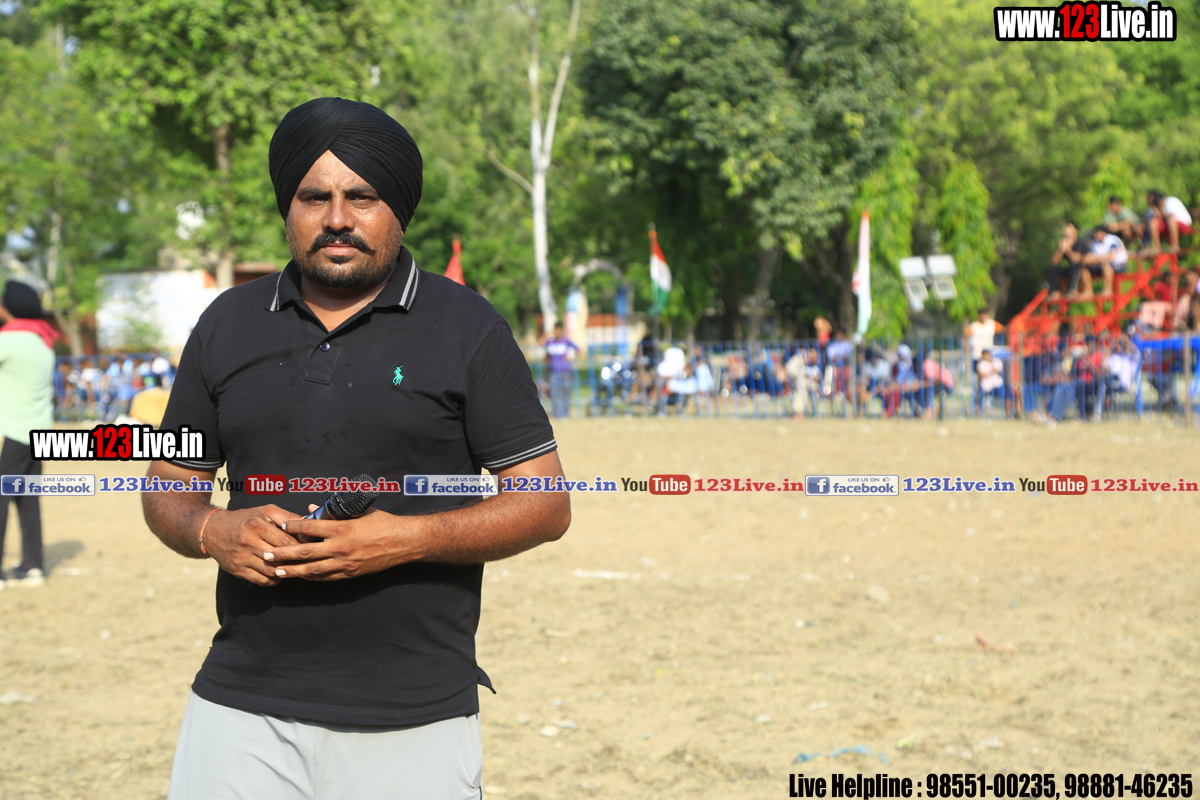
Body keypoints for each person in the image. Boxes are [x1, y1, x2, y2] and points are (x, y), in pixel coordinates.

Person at [140, 97, 570, 799]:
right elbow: (168, 486)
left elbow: (546, 503)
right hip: (239, 709)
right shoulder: (225, 324)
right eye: (315, 198)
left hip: (413, 716)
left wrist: (405, 540)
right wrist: (211, 529)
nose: (337, 218)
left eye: (362, 197)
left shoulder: (468, 327)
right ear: (288, 208)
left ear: (398, 210)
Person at [0, 280, 59, 589]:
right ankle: (33, 566)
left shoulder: (10, 340)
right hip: (39, 434)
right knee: (27, 500)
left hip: (15, 433)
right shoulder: (41, 341)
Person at [542, 322, 578, 418]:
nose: (556, 331)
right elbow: (540, 343)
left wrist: (572, 359)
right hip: (553, 371)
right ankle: (555, 413)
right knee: (553, 392)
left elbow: (578, 349)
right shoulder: (550, 342)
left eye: (558, 329)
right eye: (555, 329)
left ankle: (566, 413)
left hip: (565, 371)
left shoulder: (566, 341)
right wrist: (547, 334)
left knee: (566, 391)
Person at [1085, 225, 1128, 298]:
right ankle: (1088, 291)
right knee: (1084, 268)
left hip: (1119, 265)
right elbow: (1093, 256)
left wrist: (1096, 259)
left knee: (1106, 264)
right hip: (1102, 265)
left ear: (1103, 232)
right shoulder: (1096, 243)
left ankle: (1108, 290)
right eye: (1096, 233)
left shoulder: (1112, 239)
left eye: (1098, 232)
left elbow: (1111, 256)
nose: (1096, 235)